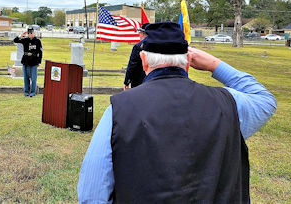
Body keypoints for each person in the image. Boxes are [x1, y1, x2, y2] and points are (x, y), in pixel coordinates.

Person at [78, 22, 277, 203]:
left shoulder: (119, 109)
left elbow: (93, 193)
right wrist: (214, 64)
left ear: (144, 61)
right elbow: (264, 100)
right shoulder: (227, 103)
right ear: (189, 62)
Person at [13, 27, 43, 97]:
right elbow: (15, 40)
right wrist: (21, 35)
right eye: (28, 33)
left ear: (33, 33)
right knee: (26, 78)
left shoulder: (37, 41)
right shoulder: (25, 40)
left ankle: (32, 92)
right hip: (26, 61)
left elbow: (40, 52)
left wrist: (39, 61)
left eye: (31, 33)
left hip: (34, 62)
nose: (30, 34)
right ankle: (26, 92)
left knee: (34, 78)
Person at [123, 23, 149, 90]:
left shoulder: (138, 47)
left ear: (143, 34)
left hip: (139, 81)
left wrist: (127, 82)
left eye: (140, 33)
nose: (139, 35)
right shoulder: (158, 45)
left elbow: (132, 66)